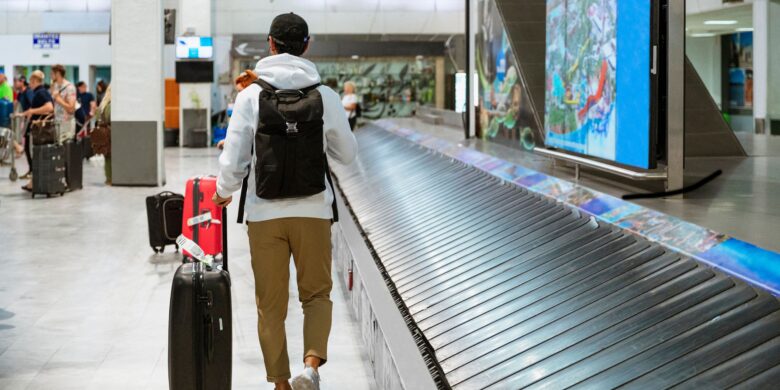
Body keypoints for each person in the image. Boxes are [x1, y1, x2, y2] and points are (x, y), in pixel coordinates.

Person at [213, 12, 357, 390]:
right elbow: (348, 155)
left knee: (270, 306)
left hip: (264, 215)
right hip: (313, 210)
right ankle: (310, 369)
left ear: (270, 44)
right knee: (317, 294)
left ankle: (280, 384)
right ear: (306, 45)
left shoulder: (249, 96)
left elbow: (235, 158)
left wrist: (223, 191)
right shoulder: (324, 96)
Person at [20, 70, 54, 190]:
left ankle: (34, 182)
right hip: (36, 128)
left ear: (34, 81)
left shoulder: (40, 92)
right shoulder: (40, 92)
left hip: (38, 130)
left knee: (33, 153)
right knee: (31, 153)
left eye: (31, 81)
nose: (29, 83)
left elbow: (49, 107)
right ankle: (33, 181)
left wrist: (32, 111)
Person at [50, 65, 77, 142]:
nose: (50, 76)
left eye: (52, 73)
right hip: (57, 125)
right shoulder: (55, 86)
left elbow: (71, 109)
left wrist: (59, 99)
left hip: (67, 125)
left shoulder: (69, 87)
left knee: (66, 151)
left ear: (58, 73)